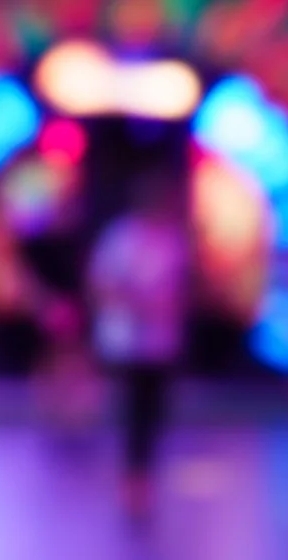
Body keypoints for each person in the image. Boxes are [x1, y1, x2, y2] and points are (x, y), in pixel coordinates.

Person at [87, 168, 191, 522]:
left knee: (154, 414)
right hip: (126, 341)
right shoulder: (120, 238)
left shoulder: (172, 240)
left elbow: (182, 288)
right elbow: (102, 283)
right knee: (132, 414)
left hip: (162, 342)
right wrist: (137, 303)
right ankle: (131, 481)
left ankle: (144, 477)